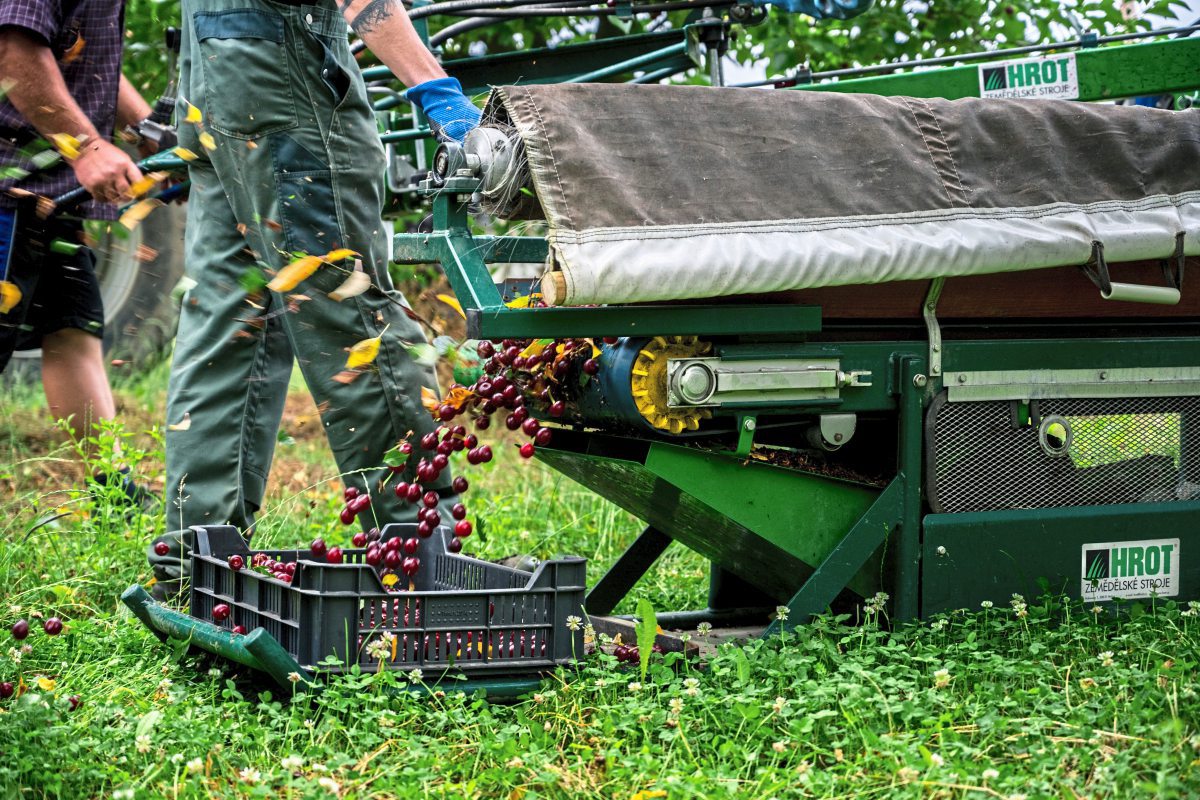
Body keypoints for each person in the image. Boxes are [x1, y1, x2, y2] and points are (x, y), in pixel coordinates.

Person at [148, 0, 481, 595]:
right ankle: (421, 560)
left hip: (214, 70)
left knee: (230, 313)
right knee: (350, 307)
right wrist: (434, 88)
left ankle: (196, 562)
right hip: (280, 78)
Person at [0, 0, 157, 503]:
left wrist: (147, 129)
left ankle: (114, 496)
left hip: (48, 190)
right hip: (9, 179)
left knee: (71, 329)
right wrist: (87, 147)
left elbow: (75, 52)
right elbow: (12, 48)